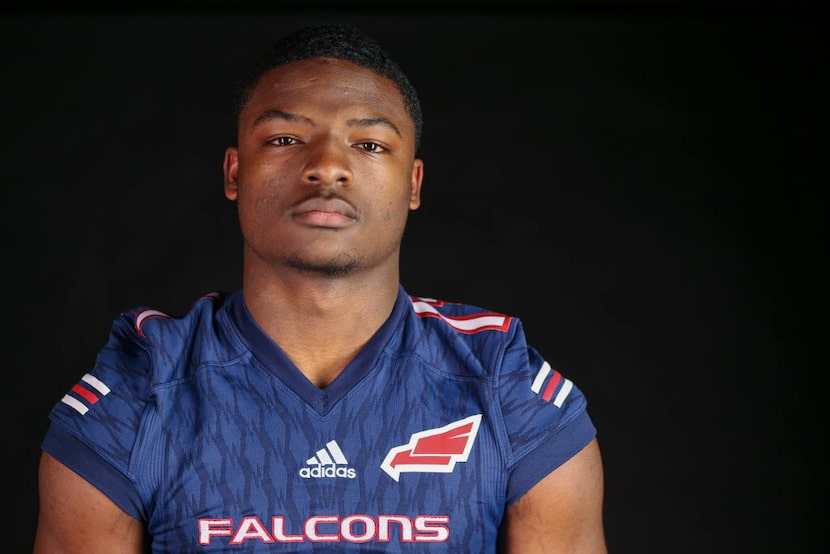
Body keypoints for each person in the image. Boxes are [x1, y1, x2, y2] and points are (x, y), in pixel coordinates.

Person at [33, 22, 607, 553]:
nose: (327, 167)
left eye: (369, 145)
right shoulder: (141, 389)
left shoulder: (505, 388)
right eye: (285, 139)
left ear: (413, 183)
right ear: (235, 173)